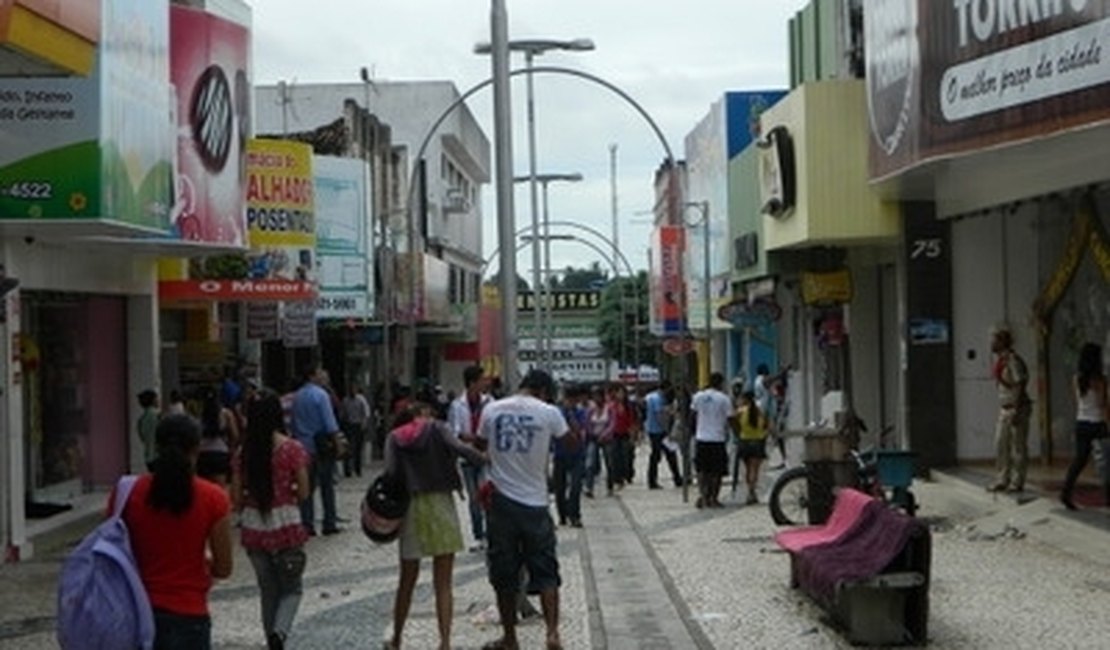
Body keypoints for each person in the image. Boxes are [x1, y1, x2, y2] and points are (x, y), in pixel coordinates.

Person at [119, 413, 233, 649]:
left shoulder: (127, 493)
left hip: (135, 610)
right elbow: (224, 567)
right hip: (189, 615)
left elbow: (114, 550)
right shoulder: (213, 497)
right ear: (197, 448)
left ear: (156, 446)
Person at [476, 369, 568, 650]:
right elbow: (568, 439)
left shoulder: (491, 409)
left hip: (501, 502)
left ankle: (510, 638)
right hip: (536, 503)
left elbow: (481, 445)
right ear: (543, 391)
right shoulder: (549, 412)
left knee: (504, 573)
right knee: (546, 570)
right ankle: (552, 634)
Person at [385, 402, 486, 650]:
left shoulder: (394, 437)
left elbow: (390, 475)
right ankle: (445, 642)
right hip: (441, 505)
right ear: (425, 414)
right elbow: (460, 448)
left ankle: (397, 637)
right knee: (443, 583)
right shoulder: (438, 429)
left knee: (406, 579)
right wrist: (485, 458)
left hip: (410, 507)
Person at [232, 392, 310, 650]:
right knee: (292, 589)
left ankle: (271, 641)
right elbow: (305, 491)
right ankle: (280, 632)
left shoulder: (243, 453)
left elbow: (235, 496)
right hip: (286, 524)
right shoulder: (291, 449)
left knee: (268, 590)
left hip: (254, 527)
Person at [291, 364, 342, 536]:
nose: (323, 376)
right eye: (319, 373)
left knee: (307, 486)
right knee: (327, 485)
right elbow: (330, 423)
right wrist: (338, 444)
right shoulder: (321, 395)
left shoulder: (297, 396)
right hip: (321, 447)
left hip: (302, 446)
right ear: (312, 376)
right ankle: (329, 522)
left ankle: (307, 523)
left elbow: (293, 423)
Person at [447, 365, 492, 551]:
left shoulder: (490, 402)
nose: (485, 382)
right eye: (482, 379)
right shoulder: (457, 405)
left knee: (487, 496)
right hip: (467, 458)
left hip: (486, 457)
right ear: (472, 383)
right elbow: (456, 433)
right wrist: (477, 438)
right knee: (474, 498)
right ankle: (478, 535)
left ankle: (491, 533)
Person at [1060, 342, 1109, 510]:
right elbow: (1102, 404)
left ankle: (1066, 493)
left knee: (1079, 461)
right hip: (1098, 423)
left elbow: (1077, 401)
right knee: (1106, 463)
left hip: (1081, 422)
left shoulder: (1077, 378)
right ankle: (1108, 498)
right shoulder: (1099, 380)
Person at [989, 327, 1032, 493]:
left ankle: (1017, 481)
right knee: (1000, 443)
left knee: (1018, 446)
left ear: (1002, 342)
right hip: (1004, 407)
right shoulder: (1000, 361)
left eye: (995, 340)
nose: (992, 343)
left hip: (1017, 407)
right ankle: (1002, 479)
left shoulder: (1013, 360)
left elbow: (1020, 385)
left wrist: (1016, 408)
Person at [691, 372, 732, 508]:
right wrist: (737, 434)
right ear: (721, 383)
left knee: (702, 470)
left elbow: (693, 414)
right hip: (717, 438)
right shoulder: (724, 399)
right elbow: (730, 418)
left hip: (701, 438)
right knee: (717, 471)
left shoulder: (698, 397)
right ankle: (713, 498)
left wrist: (693, 431)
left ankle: (703, 496)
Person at [552, 385, 587, 527]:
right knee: (559, 487)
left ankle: (575, 515)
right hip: (560, 454)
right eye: (569, 400)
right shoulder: (557, 412)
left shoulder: (580, 412)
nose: (571, 403)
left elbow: (580, 430)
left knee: (575, 486)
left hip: (577, 453)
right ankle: (562, 515)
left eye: (574, 400)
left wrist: (571, 415)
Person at [197, 387, 240, 488]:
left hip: (203, 454)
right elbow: (235, 435)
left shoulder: (201, 415)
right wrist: (231, 449)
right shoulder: (226, 413)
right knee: (220, 489)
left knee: (205, 488)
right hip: (220, 454)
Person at [645, 382, 682, 489]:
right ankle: (673, 479)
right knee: (664, 455)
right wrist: (667, 431)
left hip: (652, 429)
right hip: (658, 431)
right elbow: (660, 416)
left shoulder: (650, 396)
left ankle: (675, 478)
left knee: (661, 456)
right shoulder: (657, 399)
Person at [734, 390, 770, 505]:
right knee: (755, 469)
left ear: (745, 399)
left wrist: (739, 433)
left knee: (748, 469)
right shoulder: (759, 411)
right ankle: (752, 492)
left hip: (744, 441)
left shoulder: (740, 412)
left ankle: (750, 492)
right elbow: (767, 425)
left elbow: (734, 424)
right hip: (757, 442)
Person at [582, 386, 608, 499]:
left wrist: (604, 434)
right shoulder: (591, 409)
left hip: (607, 439)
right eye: (594, 396)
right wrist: (591, 433)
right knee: (590, 464)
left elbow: (612, 423)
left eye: (598, 395)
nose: (596, 398)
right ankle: (589, 487)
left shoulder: (608, 408)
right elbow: (587, 423)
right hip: (593, 438)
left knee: (609, 463)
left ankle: (610, 485)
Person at [340, 385, 372, 478]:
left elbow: (365, 414)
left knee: (358, 448)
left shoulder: (360, 401)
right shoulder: (345, 401)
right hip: (349, 426)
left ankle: (357, 469)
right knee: (348, 449)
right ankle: (348, 470)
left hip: (358, 425)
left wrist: (364, 424)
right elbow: (343, 415)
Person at [137, 389, 161, 471]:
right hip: (159, 455)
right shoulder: (158, 415)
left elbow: (142, 437)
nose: (159, 401)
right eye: (157, 398)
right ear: (153, 400)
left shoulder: (141, 419)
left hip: (148, 457)